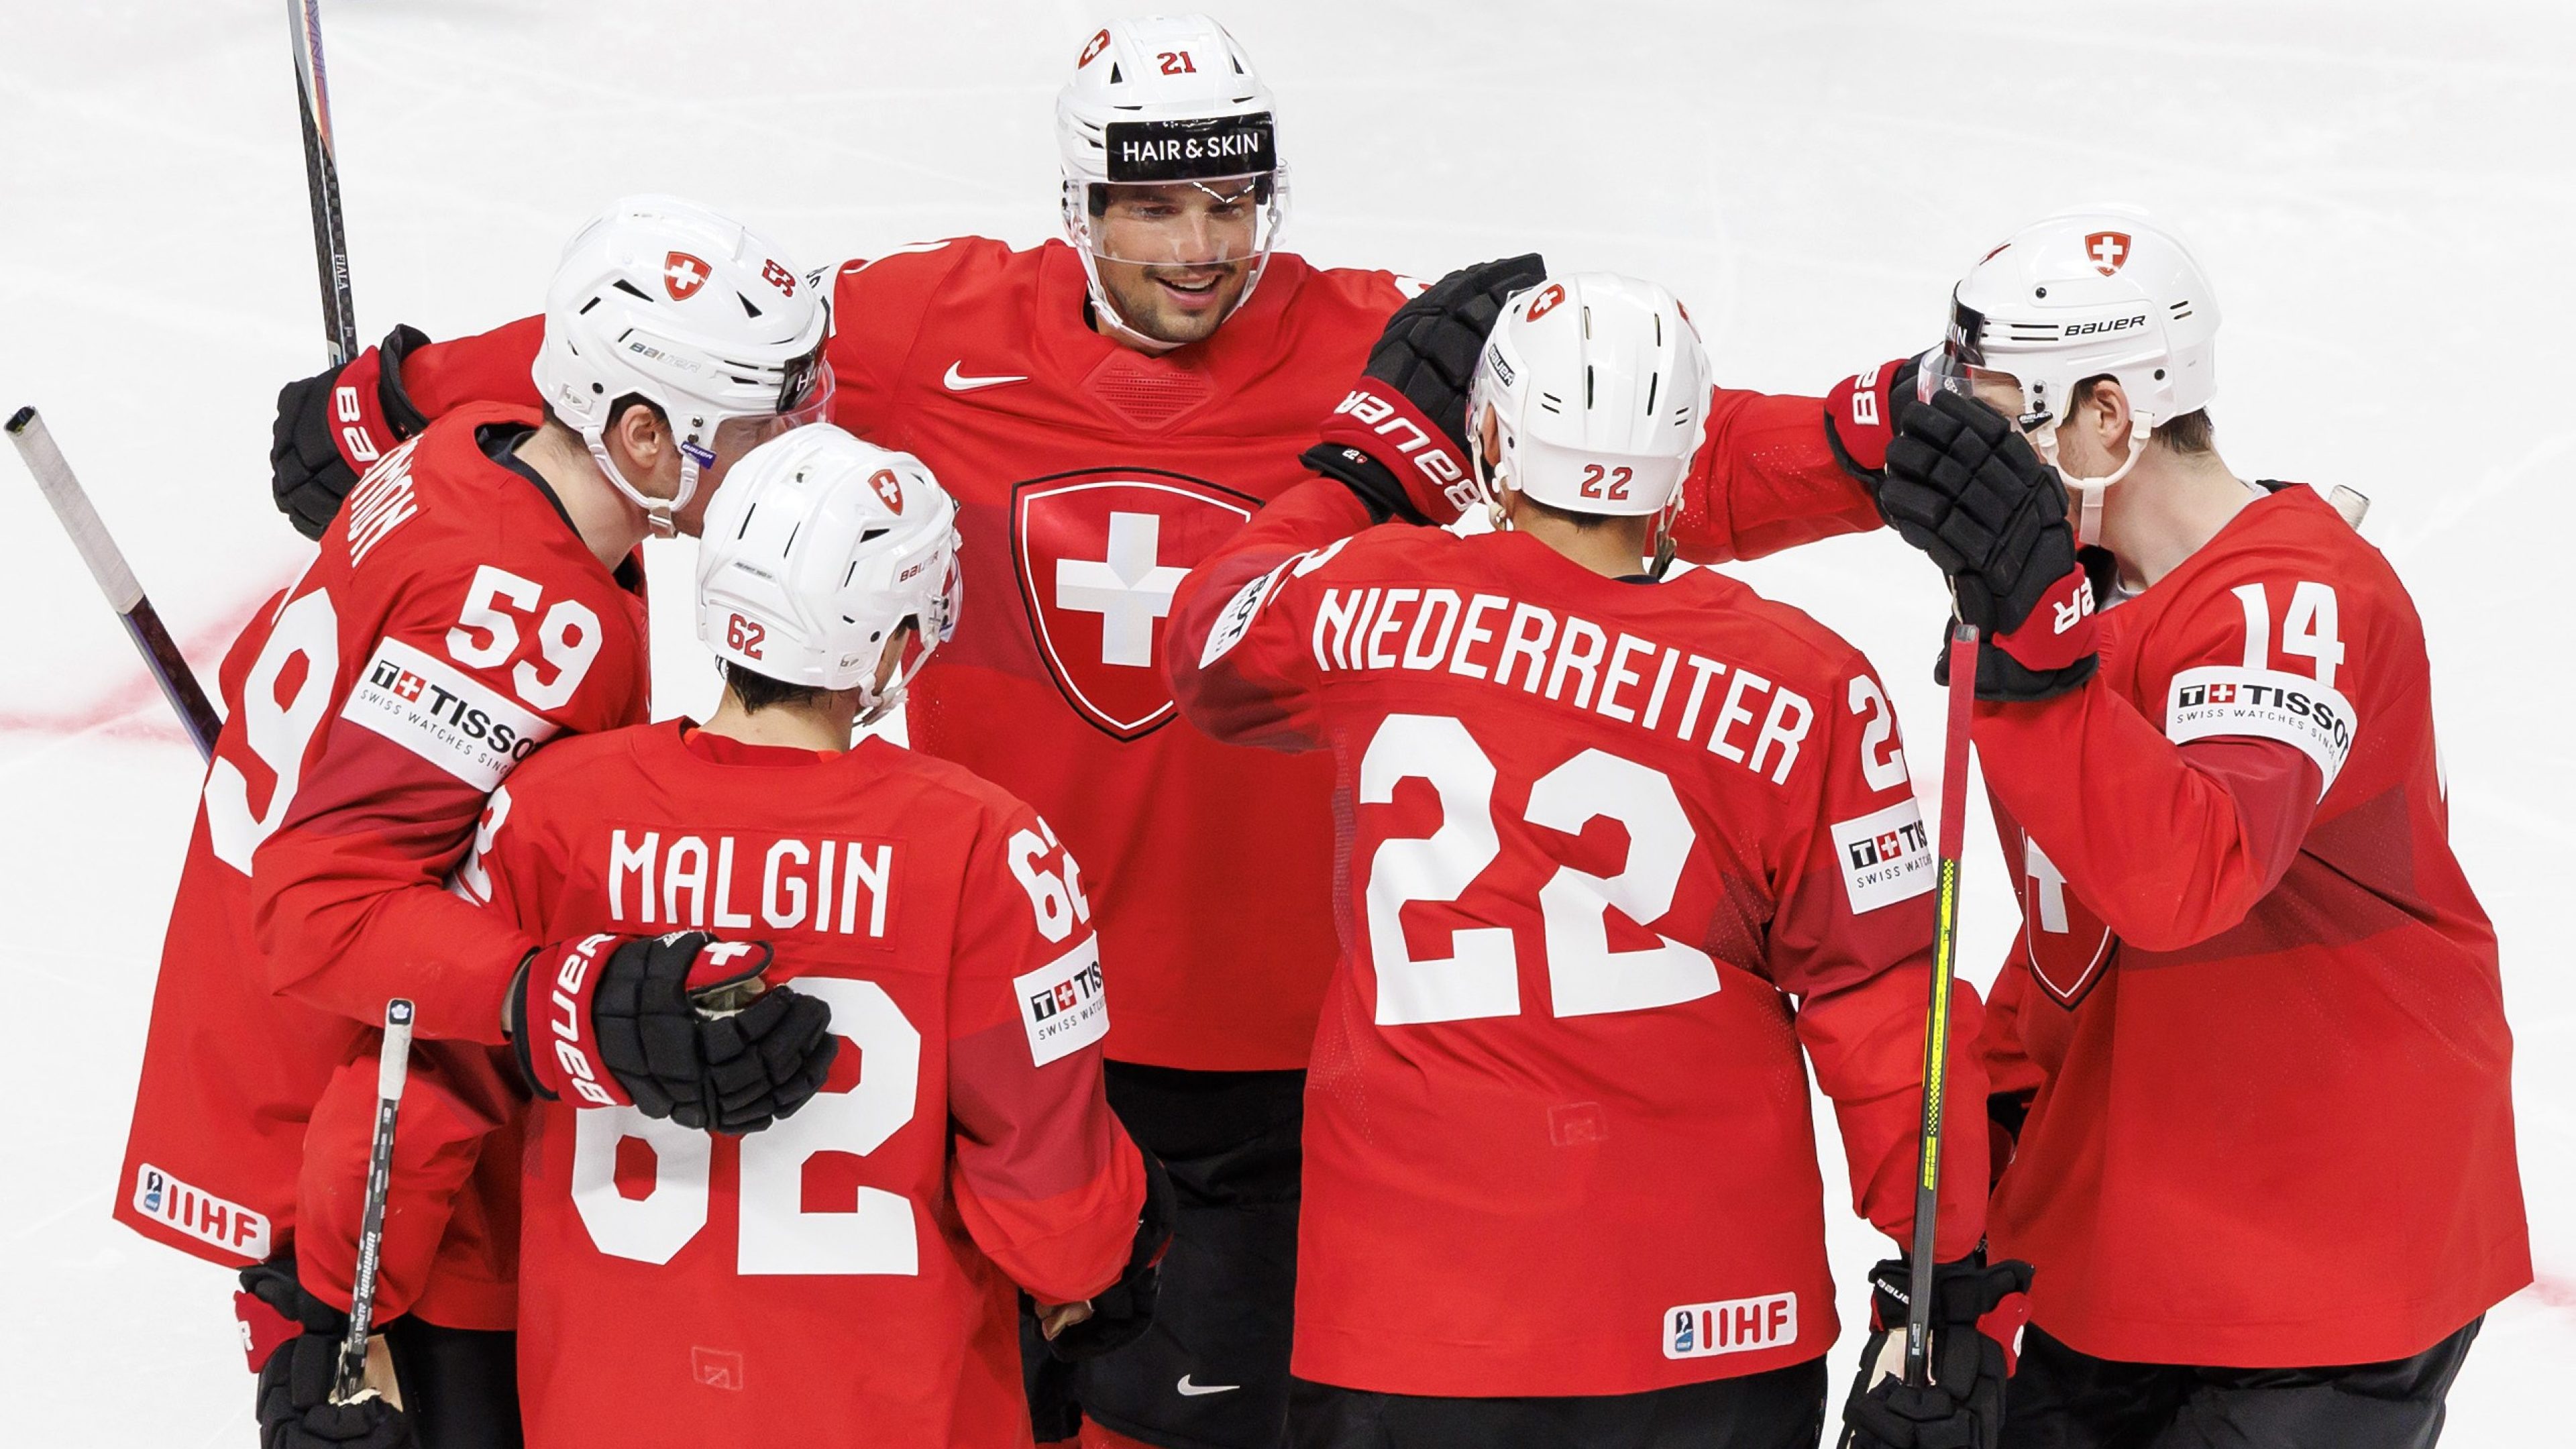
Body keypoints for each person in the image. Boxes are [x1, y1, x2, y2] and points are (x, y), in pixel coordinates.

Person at [254, 20, 1919, 1444]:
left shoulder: (1372, 348)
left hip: (1284, 1056)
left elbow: (1644, 462)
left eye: (1228, 202)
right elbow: (691, 340)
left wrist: (1882, 444)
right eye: (1152, 208)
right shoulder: (921, 331)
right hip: (999, 1014)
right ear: (1077, 202)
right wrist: (410, 394)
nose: (1200, 247)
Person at [1162, 271, 2028, 1449]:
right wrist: (1948, 1281)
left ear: (1495, 435)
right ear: (1684, 451)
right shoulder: (1808, 681)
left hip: (1415, 1321)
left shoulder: (1368, 601)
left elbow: (1208, 644)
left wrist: (1366, 469)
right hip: (1717, 1324)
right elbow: (1882, 1000)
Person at [117, 195, 844, 1449]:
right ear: (638, 433)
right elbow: (325, 911)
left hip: (366, 1093)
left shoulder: (482, 442)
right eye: (753, 424)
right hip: (368, 1136)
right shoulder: (519, 613)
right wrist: (571, 995)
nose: (788, 446)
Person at [303, 423, 1163, 1446]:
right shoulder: (987, 848)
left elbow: (413, 1098)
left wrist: (337, 1313)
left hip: (610, 1411)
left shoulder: (550, 813)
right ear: (892, 639)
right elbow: (1055, 1215)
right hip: (894, 1415)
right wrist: (1106, 1256)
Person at [1872, 207, 2527, 1448]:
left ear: (2107, 421)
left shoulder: (2297, 603)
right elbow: (2068, 928)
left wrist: (2029, 653)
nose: (1980, 452)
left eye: (2010, 411)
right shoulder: (2065, 605)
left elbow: (2188, 876)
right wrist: (1981, 1187)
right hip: (2127, 1229)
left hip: (2330, 1246)